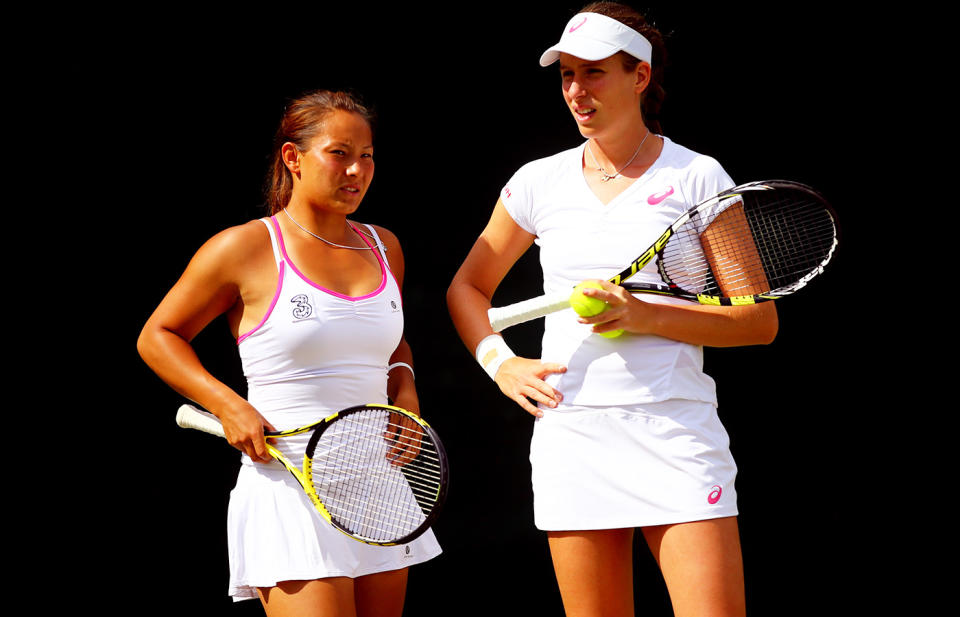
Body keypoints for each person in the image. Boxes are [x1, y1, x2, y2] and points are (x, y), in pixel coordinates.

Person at [447, 3, 777, 616]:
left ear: (640, 76)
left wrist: (644, 315)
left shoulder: (698, 177)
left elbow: (758, 322)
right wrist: (500, 364)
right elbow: (467, 289)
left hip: (676, 432)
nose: (576, 90)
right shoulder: (537, 182)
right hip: (573, 437)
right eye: (567, 75)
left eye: (594, 72)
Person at [138, 90, 441, 617]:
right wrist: (227, 404)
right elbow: (158, 335)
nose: (356, 171)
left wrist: (405, 387)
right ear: (293, 158)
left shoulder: (384, 245)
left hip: (378, 485)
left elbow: (390, 341)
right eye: (339, 153)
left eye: (366, 155)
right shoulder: (245, 247)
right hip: (290, 486)